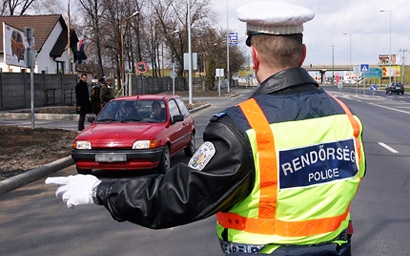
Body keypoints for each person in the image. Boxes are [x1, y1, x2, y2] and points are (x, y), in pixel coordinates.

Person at [46, 2, 366, 255]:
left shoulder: (243, 128)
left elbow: (176, 197)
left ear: (253, 57)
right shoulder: (345, 117)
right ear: (303, 54)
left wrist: (100, 191)